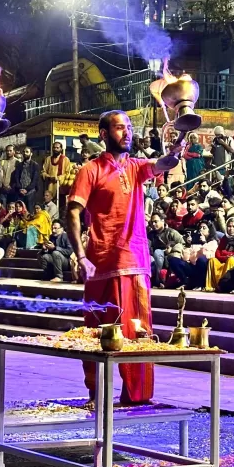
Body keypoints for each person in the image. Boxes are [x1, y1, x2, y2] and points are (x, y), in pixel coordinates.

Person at [65, 110, 182, 405]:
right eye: (119, 128)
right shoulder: (90, 170)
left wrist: (178, 145)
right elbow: (73, 213)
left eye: (128, 127)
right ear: (104, 134)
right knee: (95, 329)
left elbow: (164, 163)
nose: (127, 132)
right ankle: (96, 392)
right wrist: (80, 255)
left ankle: (137, 394)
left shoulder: (136, 167)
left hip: (136, 259)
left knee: (138, 328)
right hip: (101, 261)